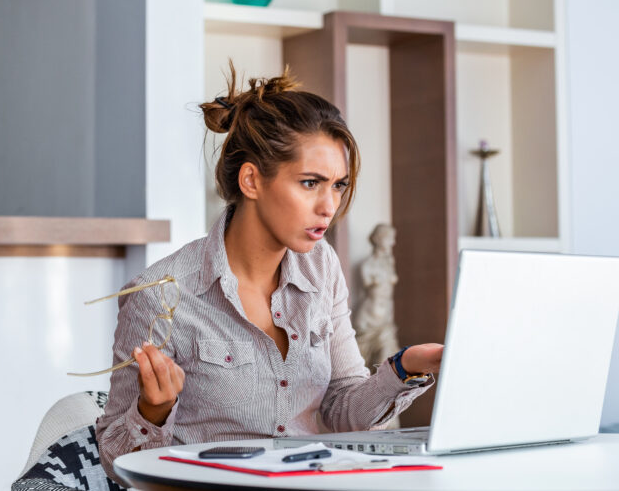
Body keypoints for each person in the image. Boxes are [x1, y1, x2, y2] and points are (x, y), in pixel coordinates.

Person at [95, 64, 444, 485]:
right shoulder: (161, 295)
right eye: (310, 183)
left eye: (338, 185)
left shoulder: (322, 267)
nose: (329, 206)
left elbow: (343, 412)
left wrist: (407, 367)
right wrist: (154, 411)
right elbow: (115, 463)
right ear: (251, 181)